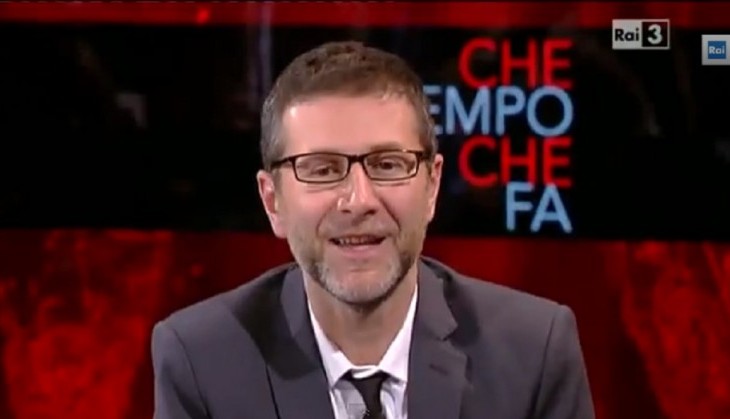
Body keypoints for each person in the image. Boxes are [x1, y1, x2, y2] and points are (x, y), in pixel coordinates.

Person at [151, 40, 595, 419]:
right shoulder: (201, 360)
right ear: (273, 201)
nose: (359, 200)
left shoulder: (533, 352)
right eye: (323, 169)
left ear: (432, 186)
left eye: (387, 165)